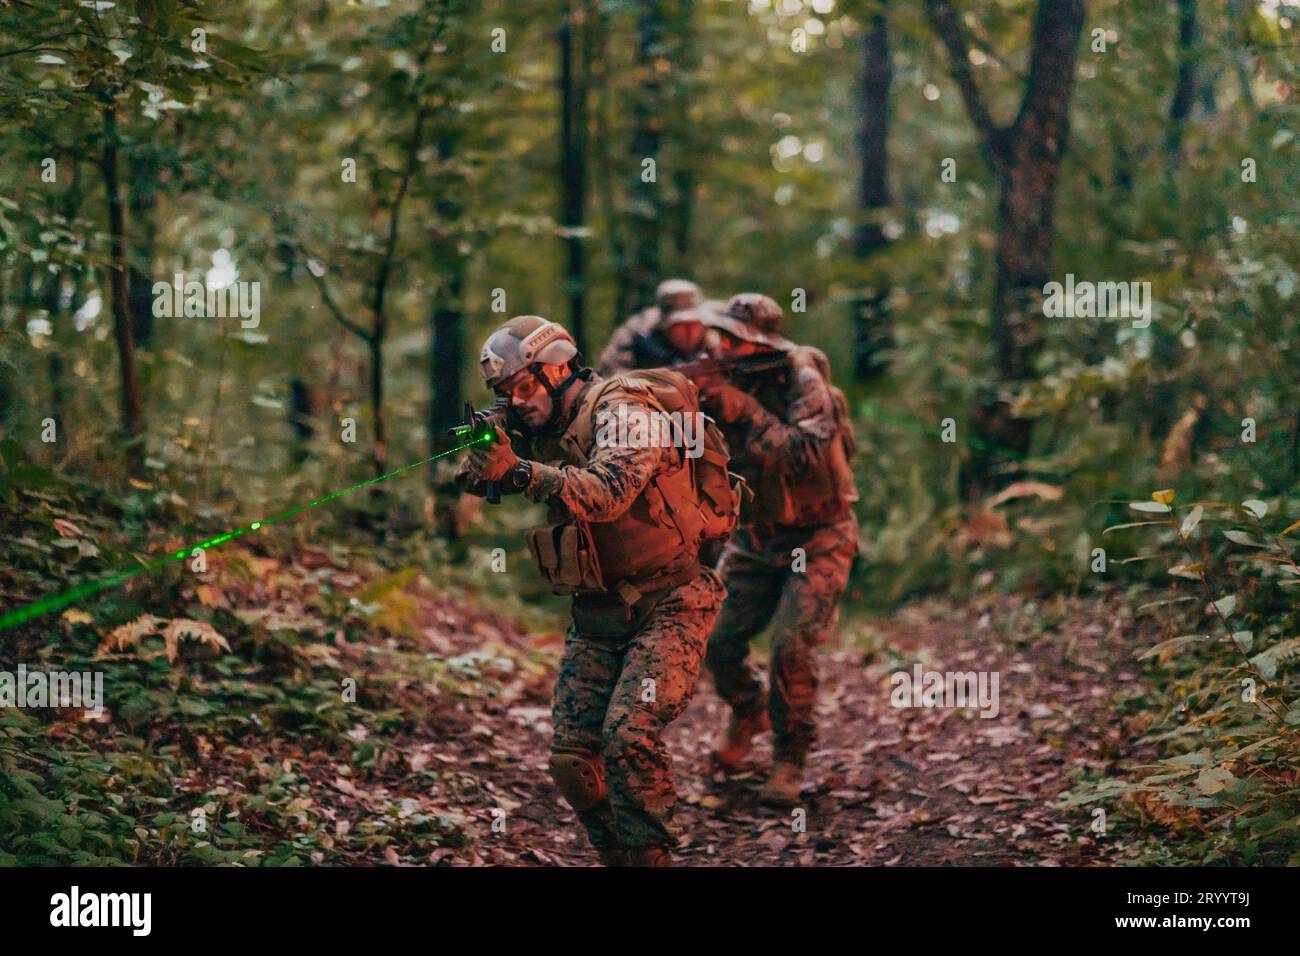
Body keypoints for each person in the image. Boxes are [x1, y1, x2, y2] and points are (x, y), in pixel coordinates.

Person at [456, 315, 727, 865]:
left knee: (628, 738)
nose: (518, 401)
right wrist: (489, 453)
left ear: (558, 369)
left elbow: (609, 492)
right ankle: (615, 857)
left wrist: (522, 472)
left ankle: (650, 856)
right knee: (572, 759)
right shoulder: (534, 421)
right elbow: (471, 477)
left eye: (525, 386)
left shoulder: (623, 406)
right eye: (505, 393)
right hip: (598, 609)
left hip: (672, 596)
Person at [684, 294, 860, 806]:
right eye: (721, 337)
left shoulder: (802, 379)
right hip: (756, 536)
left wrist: (745, 409)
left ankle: (790, 757)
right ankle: (747, 709)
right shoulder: (719, 375)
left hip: (820, 534)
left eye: (735, 340)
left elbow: (805, 450)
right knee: (716, 641)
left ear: (761, 343)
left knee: (791, 646)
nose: (724, 347)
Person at [596, 278, 723, 376]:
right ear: (664, 326)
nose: (689, 333)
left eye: (694, 325)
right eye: (679, 327)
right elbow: (612, 372)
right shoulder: (637, 332)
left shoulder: (719, 330)